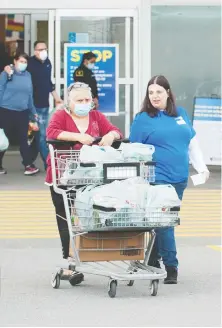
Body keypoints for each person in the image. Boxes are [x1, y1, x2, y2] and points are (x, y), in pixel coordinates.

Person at [129, 75, 210, 284]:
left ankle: (153, 259)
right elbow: (133, 151)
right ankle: (171, 265)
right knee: (166, 222)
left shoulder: (180, 114)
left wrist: (202, 168)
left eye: (158, 92)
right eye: (150, 92)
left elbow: (192, 143)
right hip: (157, 178)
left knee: (162, 221)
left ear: (167, 92)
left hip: (179, 178)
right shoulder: (143, 119)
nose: (154, 96)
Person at [46, 82, 122, 282]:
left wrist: (110, 135)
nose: (84, 103)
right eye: (79, 100)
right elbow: (52, 133)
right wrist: (78, 136)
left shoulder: (96, 117)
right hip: (63, 176)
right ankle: (71, 260)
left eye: (87, 100)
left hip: (90, 176)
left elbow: (116, 131)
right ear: (69, 103)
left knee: (88, 216)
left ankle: (87, 255)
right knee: (67, 219)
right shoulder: (61, 116)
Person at [4, 41, 63, 170]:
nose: (43, 51)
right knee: (42, 136)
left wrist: (57, 98)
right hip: (32, 106)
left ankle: (29, 161)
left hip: (44, 106)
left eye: (45, 49)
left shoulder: (47, 63)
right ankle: (49, 164)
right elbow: (16, 66)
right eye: (40, 49)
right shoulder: (29, 63)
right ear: (35, 51)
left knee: (38, 136)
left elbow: (48, 82)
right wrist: (8, 68)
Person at [0, 53, 39, 175]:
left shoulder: (28, 75)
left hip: (23, 112)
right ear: (15, 61)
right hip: (6, 111)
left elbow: (29, 95)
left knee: (24, 139)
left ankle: (28, 165)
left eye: (25, 62)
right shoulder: (6, 73)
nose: (23, 64)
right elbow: (0, 89)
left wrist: (33, 111)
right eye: (21, 61)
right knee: (3, 140)